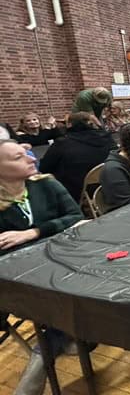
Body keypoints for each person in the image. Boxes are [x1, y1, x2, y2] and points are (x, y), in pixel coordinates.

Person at [0, 139, 84, 395]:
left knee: (74, 299)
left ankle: (45, 352)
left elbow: (75, 217)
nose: (31, 158)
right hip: (14, 279)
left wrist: (33, 232)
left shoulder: (45, 183)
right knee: (67, 309)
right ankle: (68, 339)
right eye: (18, 157)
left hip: (57, 265)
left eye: (26, 152)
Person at [39, 112, 116, 201]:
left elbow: (44, 168)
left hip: (77, 191)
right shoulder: (107, 138)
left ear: (70, 124)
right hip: (108, 183)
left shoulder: (63, 143)